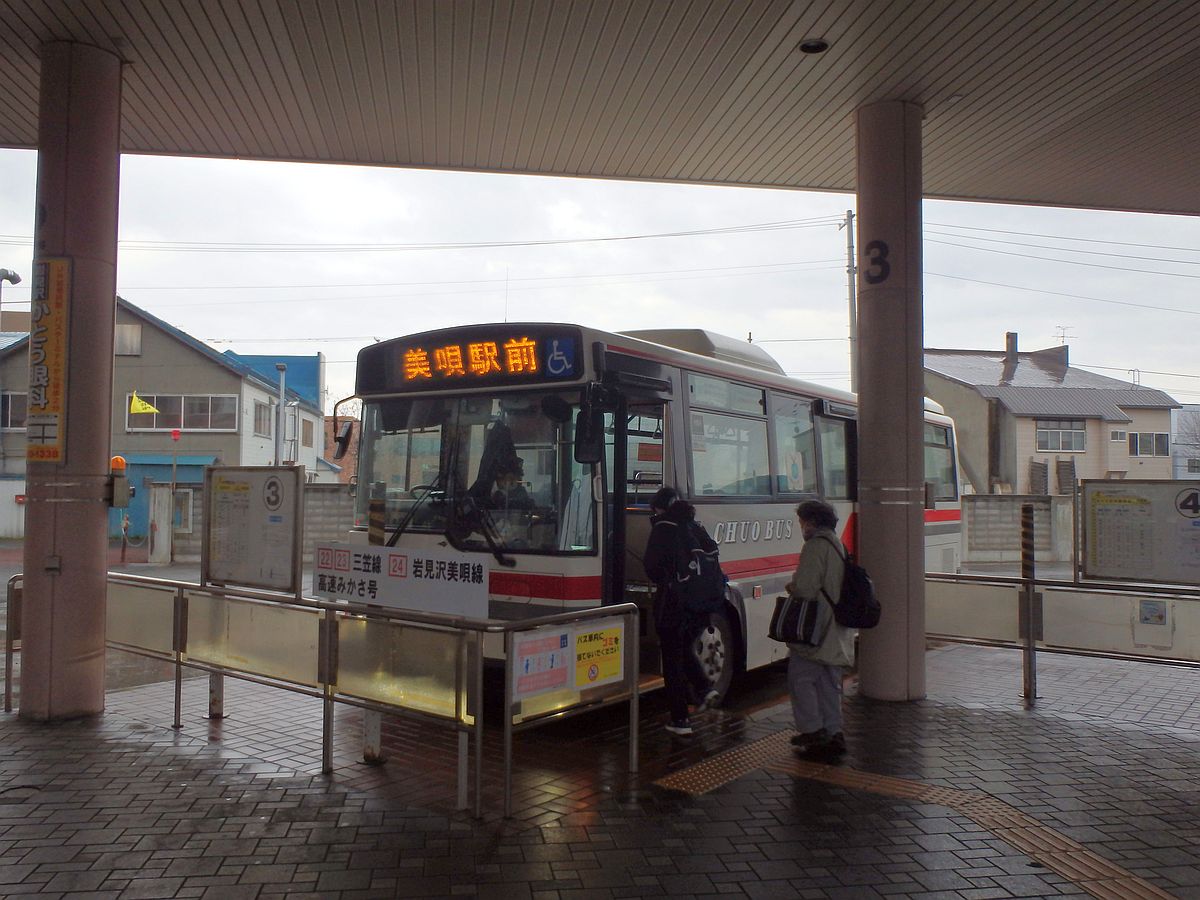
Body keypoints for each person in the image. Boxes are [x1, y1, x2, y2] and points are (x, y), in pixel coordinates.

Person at [643, 486, 722, 735]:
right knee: (684, 648)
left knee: (672, 659)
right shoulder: (693, 526)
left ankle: (680, 720)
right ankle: (704, 688)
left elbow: (652, 567)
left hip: (673, 603)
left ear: (659, 507)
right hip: (699, 604)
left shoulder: (664, 528)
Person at [784, 499, 856, 756]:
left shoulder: (815, 546)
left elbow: (806, 587)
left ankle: (813, 731)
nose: (801, 526)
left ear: (811, 522)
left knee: (801, 679)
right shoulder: (838, 544)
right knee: (829, 683)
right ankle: (834, 732)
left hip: (816, 628)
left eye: (802, 522)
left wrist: (792, 587)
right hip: (835, 627)